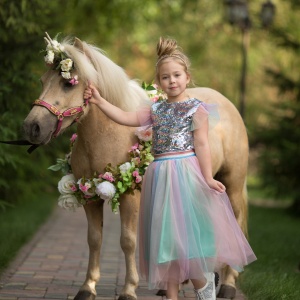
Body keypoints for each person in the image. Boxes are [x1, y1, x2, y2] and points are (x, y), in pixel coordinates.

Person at [83, 37, 256, 300]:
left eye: (176, 75)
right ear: (159, 82)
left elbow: (202, 145)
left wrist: (207, 177)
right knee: (167, 244)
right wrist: (99, 101)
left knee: (185, 241)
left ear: (187, 77)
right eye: (165, 77)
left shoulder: (196, 109)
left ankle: (204, 286)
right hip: (160, 176)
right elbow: (126, 118)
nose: (171, 81)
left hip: (185, 174)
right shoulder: (156, 108)